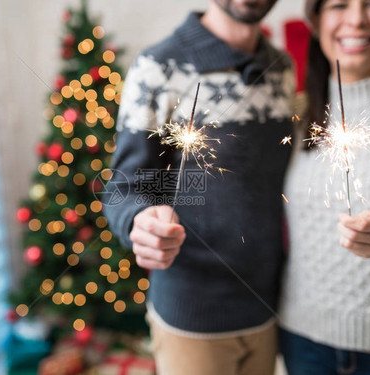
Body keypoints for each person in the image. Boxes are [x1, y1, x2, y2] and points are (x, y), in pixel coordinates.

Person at [102, 1, 295, 374]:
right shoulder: (159, 67)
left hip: (268, 307)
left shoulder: (281, 67)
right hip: (192, 314)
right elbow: (125, 186)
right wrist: (139, 220)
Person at [279, 0, 370, 373]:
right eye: (339, 4)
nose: (356, 19)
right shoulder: (294, 116)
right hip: (302, 343)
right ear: (316, 21)